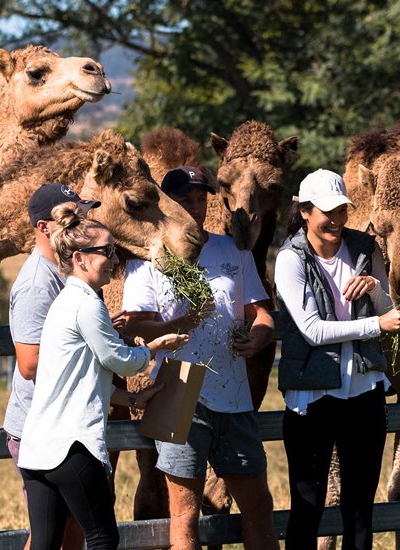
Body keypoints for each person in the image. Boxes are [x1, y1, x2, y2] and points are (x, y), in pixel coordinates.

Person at [119, 166, 279, 550]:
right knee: (185, 514)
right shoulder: (149, 259)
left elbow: (262, 314)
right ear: (170, 205)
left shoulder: (233, 251)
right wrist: (182, 322)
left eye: (200, 199)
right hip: (178, 389)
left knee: (258, 505)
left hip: (234, 394)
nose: (195, 207)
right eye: (185, 200)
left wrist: (257, 338)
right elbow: (132, 328)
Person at [17, 202, 189, 550]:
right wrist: (154, 347)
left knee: (45, 544)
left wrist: (130, 399)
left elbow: (77, 377)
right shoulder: (87, 304)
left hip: (37, 451)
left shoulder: (65, 302)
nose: (115, 258)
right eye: (107, 251)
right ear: (80, 259)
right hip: (71, 448)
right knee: (102, 538)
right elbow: (121, 361)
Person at [273, 168, 400, 550]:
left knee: (361, 510)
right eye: (326, 211)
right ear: (305, 212)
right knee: (308, 507)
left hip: (364, 393)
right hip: (312, 399)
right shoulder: (290, 259)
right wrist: (374, 324)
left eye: (341, 210)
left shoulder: (366, 249)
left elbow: (393, 312)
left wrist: (377, 288)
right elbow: (312, 331)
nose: (335, 219)